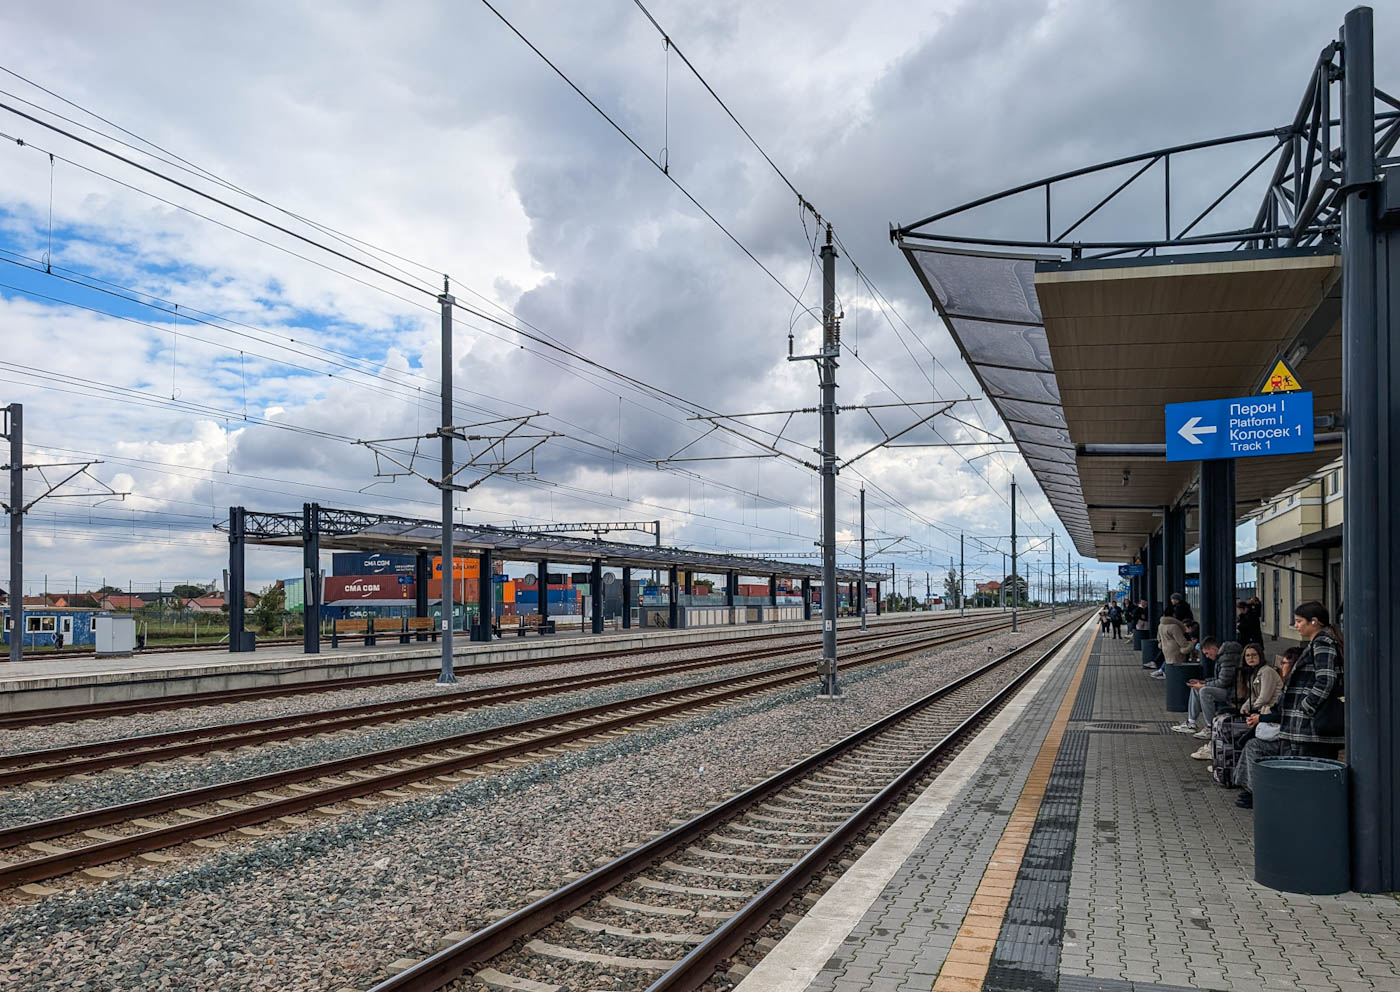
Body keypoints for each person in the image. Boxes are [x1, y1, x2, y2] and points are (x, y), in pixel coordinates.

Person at [1234, 602, 1344, 809]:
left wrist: (1306, 707)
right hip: (1304, 726)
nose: (1296, 626)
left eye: (1299, 621)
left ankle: (1296, 809)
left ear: (1314, 622)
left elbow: (1326, 679)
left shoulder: (1322, 643)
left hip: (1308, 726)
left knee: (1302, 772)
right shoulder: (1320, 643)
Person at [1170, 638, 1223, 737]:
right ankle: (1191, 722)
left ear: (1213, 648)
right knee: (1196, 688)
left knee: (1204, 691)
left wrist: (1203, 685)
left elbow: (1223, 682)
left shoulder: (1226, 660)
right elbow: (1219, 679)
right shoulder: (1221, 659)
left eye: (1207, 653)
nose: (1207, 656)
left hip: (1230, 691)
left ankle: (1211, 727)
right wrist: (1202, 682)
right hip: (1224, 688)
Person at [1153, 602, 1195, 680]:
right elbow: (1182, 642)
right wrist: (1190, 644)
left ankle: (1167, 676)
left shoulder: (1161, 625)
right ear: (1173, 614)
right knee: (1177, 669)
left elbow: (1159, 638)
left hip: (1166, 649)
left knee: (1170, 666)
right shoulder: (1174, 626)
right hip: (1176, 651)